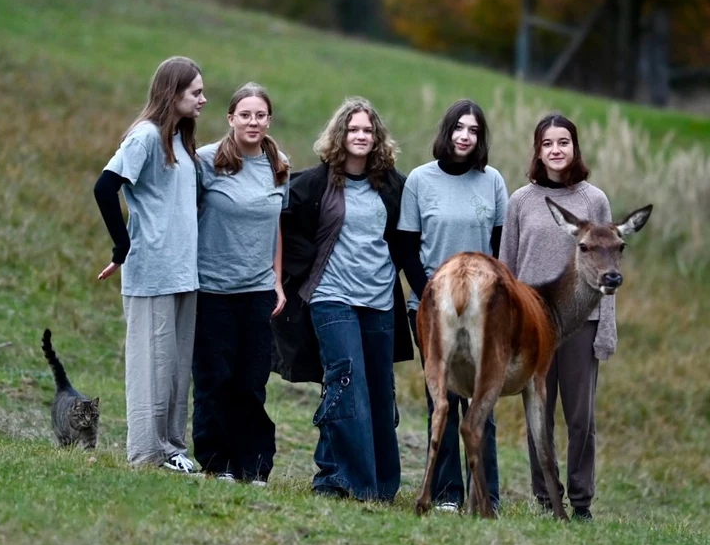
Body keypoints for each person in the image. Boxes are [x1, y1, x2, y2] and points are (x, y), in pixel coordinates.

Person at [274, 97, 413, 501]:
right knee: (345, 380)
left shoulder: (393, 186)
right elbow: (281, 219)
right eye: (353, 129)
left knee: (377, 389)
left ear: (377, 137)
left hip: (380, 300)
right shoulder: (317, 183)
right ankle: (339, 478)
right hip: (331, 296)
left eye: (368, 130)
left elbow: (409, 237)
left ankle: (380, 484)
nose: (361, 136)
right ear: (341, 135)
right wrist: (294, 273)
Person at [499, 113, 617, 522]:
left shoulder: (594, 200)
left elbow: (607, 269)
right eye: (547, 143)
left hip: (581, 326)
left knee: (581, 418)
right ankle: (546, 497)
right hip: (532, 327)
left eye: (563, 142)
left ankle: (581, 502)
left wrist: (606, 329)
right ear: (537, 151)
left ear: (574, 148)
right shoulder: (520, 201)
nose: (556, 150)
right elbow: (506, 269)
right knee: (538, 417)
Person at [93, 56, 207, 474]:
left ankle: (173, 448)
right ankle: (146, 454)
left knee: (176, 368)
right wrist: (121, 245)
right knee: (152, 366)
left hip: (183, 271)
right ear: (172, 93)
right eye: (195, 92)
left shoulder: (179, 140)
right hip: (152, 270)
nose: (202, 99)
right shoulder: (144, 136)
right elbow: (105, 187)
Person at [397, 99, 508, 513]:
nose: (465, 136)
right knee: (440, 399)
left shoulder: (492, 181)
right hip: (431, 306)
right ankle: (445, 494)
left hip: (484, 311)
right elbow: (407, 249)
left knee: (483, 402)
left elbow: (500, 249)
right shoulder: (420, 182)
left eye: (473, 130)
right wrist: (432, 297)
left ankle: (485, 494)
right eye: (459, 128)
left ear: (480, 138)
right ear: (447, 132)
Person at [192, 82, 290, 485]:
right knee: (215, 380)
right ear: (230, 118)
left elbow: (277, 227)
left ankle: (254, 465)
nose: (253, 121)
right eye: (245, 114)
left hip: (257, 292)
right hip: (211, 290)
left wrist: (278, 280)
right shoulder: (205, 161)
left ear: (269, 120)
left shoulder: (278, 164)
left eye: (260, 115)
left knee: (252, 383)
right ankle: (217, 463)